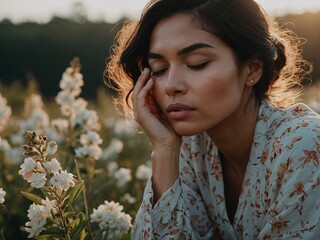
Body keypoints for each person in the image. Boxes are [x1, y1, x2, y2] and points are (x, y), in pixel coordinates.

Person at [105, 0, 320, 239]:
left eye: (197, 64)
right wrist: (164, 150)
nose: (171, 85)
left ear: (252, 69)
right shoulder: (191, 147)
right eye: (159, 68)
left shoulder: (305, 146)